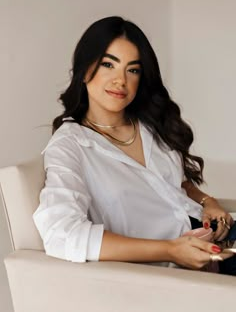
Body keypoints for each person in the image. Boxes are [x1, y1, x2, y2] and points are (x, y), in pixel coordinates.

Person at [33, 16, 236, 275]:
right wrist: (169, 249)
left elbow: (174, 184)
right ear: (85, 70)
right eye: (109, 64)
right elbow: (62, 234)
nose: (121, 80)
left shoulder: (149, 124)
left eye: (133, 70)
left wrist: (210, 202)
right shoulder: (69, 146)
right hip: (177, 269)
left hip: (214, 237)